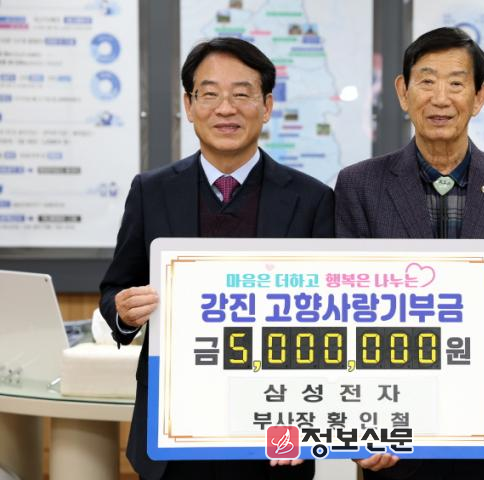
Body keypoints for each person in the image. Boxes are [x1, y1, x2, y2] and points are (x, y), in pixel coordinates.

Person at [99, 37, 333, 480]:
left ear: (267, 106)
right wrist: (124, 314)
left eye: (242, 94)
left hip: (275, 430)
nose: (226, 108)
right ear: (189, 106)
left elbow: (331, 318)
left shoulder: (312, 199)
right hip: (175, 428)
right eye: (209, 94)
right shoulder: (151, 191)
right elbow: (115, 289)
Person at [334, 27, 484, 480]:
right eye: (426, 81)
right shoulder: (360, 185)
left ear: (479, 97)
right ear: (403, 92)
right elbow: (343, 311)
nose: (441, 98)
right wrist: (358, 421)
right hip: (395, 435)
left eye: (456, 83)